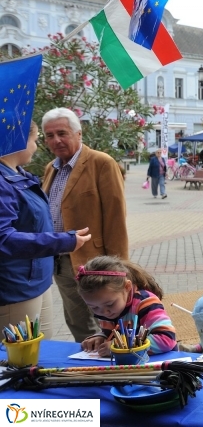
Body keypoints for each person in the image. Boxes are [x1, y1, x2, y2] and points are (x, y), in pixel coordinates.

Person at [41, 107, 128, 342]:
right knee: (77, 323)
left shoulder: (101, 163)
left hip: (94, 262)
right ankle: (88, 364)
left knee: (109, 322)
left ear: (78, 134)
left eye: (62, 133)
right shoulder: (51, 168)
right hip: (61, 262)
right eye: (49, 135)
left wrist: (119, 267)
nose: (56, 140)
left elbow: (116, 219)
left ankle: (113, 366)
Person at [0, 122, 91, 336]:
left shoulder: (17, 173)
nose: (37, 146)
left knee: (43, 352)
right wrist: (63, 241)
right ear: (19, 141)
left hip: (36, 280)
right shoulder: (3, 181)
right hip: (16, 287)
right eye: (35, 140)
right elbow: (3, 239)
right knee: (21, 361)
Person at [77, 255, 177, 356]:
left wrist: (119, 346)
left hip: (161, 364)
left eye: (110, 304)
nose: (104, 312)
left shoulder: (146, 303)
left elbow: (166, 339)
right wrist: (101, 337)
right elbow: (114, 332)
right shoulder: (106, 306)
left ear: (127, 287)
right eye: (94, 307)